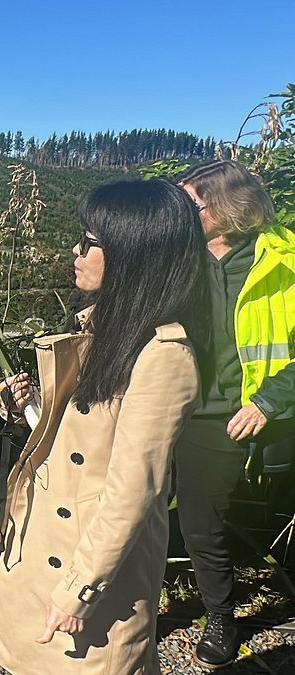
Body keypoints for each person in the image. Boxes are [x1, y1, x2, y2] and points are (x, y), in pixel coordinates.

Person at [0, 179, 208, 674]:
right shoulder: (104, 328)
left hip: (92, 564)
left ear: (134, 253)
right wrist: (29, 407)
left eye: (90, 241)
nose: (76, 251)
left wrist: (79, 589)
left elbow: (133, 491)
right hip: (45, 544)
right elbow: (82, 438)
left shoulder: (165, 356)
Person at [174, 159, 295, 669]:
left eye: (192, 203)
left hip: (258, 415)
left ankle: (249, 606)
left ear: (225, 207)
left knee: (249, 521)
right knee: (198, 523)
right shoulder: (178, 261)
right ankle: (220, 612)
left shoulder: (284, 263)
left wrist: (269, 401)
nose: (182, 213)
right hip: (191, 411)